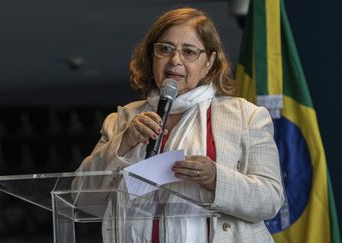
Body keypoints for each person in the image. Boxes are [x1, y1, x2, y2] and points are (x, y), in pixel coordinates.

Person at [77, 7, 284, 243]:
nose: (175, 60)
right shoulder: (122, 121)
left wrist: (216, 178)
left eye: (189, 51)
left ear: (210, 61)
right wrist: (123, 144)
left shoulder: (246, 117)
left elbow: (270, 200)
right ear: (151, 55)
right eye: (165, 49)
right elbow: (82, 198)